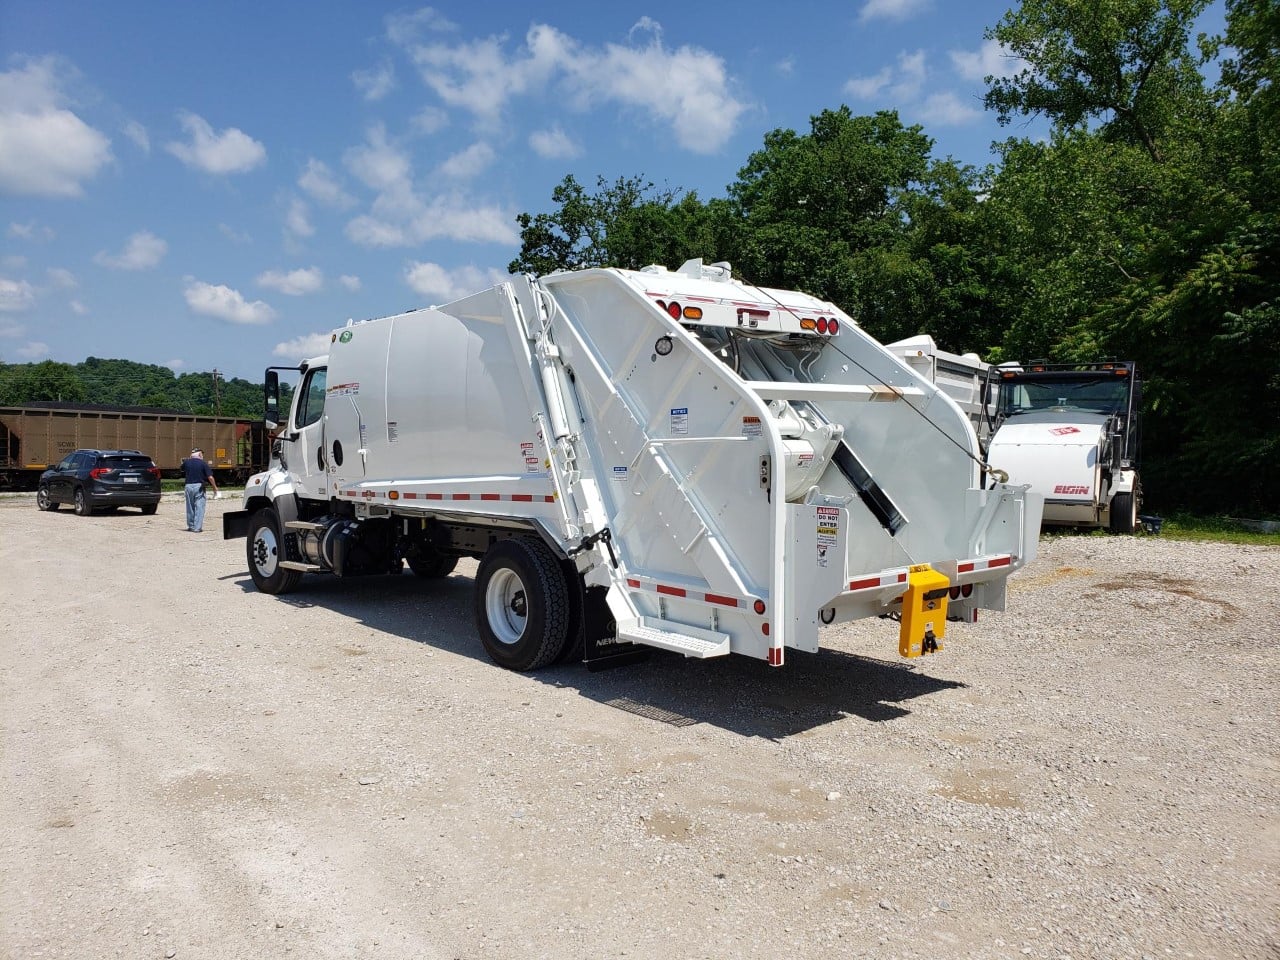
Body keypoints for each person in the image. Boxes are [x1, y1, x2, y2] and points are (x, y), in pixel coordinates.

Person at [181, 448, 220, 532]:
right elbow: (210, 477)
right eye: (202, 454)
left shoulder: (186, 462)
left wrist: (189, 459)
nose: (203, 456)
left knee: (190, 507)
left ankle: (191, 526)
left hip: (188, 486)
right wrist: (215, 488)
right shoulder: (203, 463)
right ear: (199, 455)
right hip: (199, 486)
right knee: (199, 507)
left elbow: (182, 468)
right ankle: (197, 527)